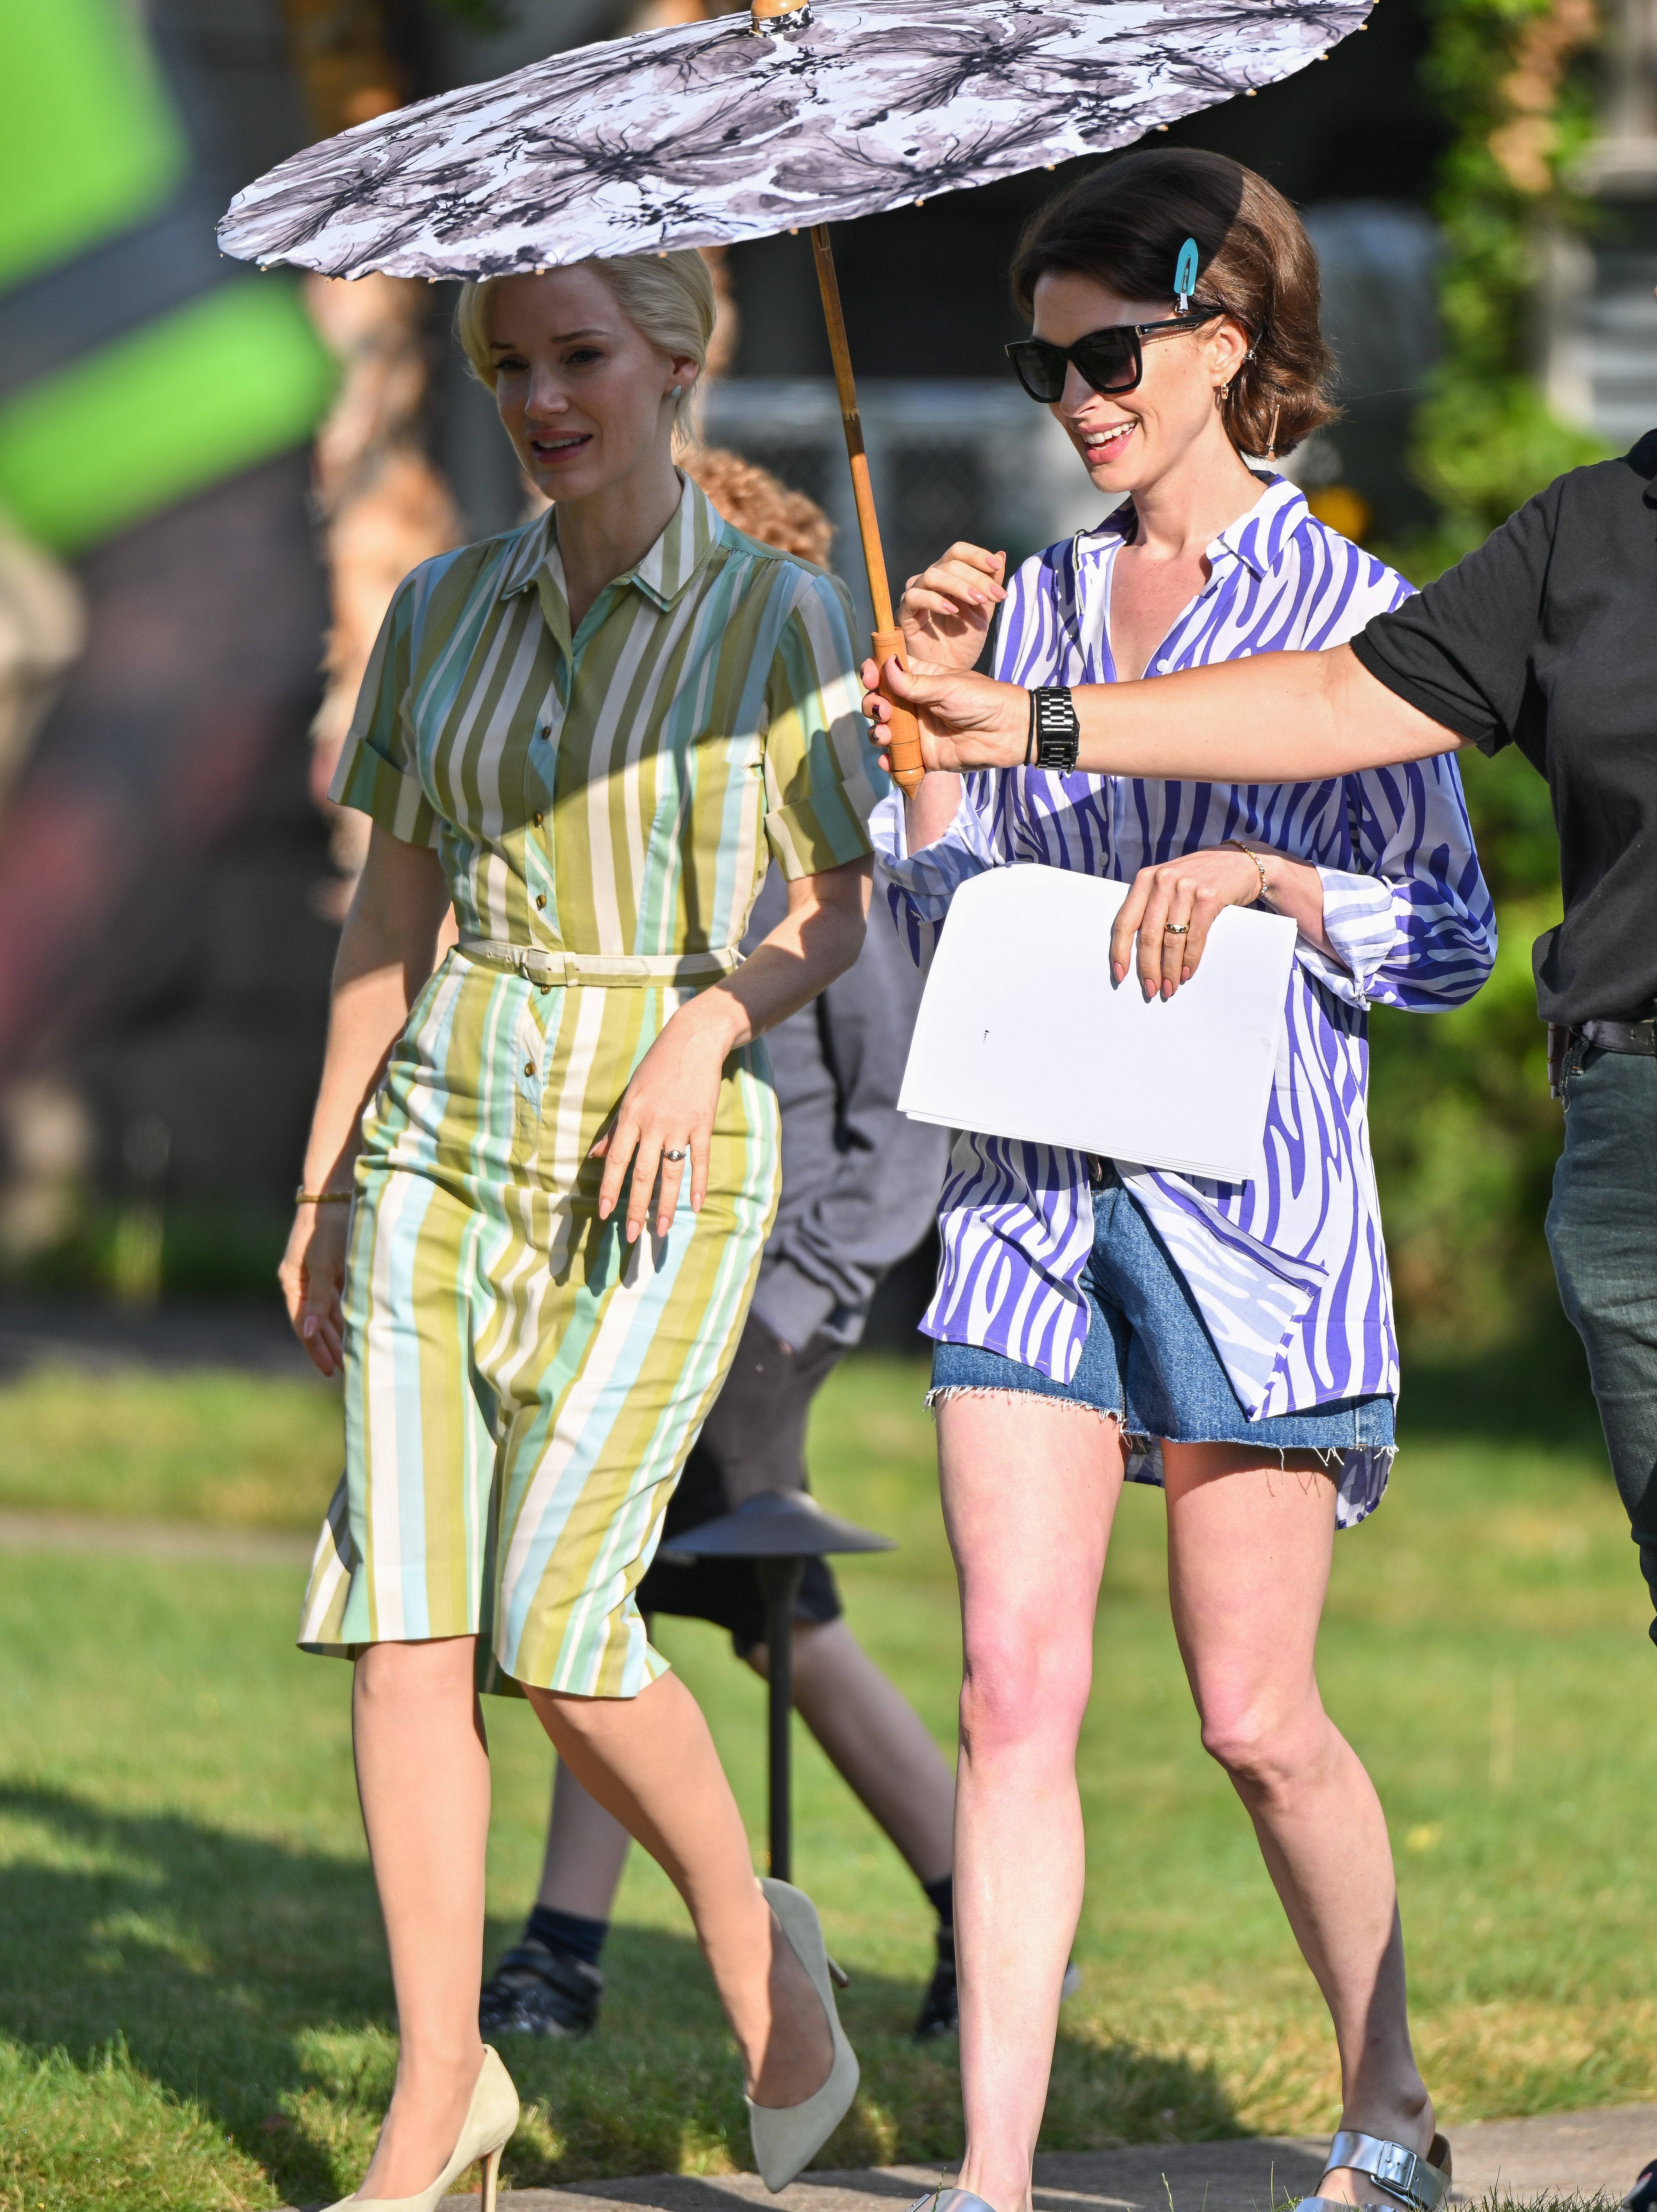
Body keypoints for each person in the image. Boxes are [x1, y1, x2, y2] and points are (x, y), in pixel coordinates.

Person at [870, 270, 1657, 2212]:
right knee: (1008, 1685)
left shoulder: (1351, 604)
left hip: (1252, 1216)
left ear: (1228, 345)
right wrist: (929, 755)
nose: (1073, 390)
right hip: (1036, 1199)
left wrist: (1281, 885)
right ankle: (989, 2177)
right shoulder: (1029, 606)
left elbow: (1448, 931)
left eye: (1107, 348)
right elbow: (942, 915)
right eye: (1041, 357)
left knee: (1254, 1720)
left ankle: (1387, 2105)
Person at [278, 248, 879, 2212]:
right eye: (514, 365)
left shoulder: (789, 616)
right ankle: (442, 2087)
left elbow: (836, 903)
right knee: (406, 1623)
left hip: (663, 1150)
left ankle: (745, 1940)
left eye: (583, 358)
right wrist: (324, 1183)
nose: (544, 400)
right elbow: (389, 922)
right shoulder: (443, 608)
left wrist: (708, 1024)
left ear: (677, 361)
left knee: (556, 1614)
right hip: (439, 1135)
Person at [479, 858, 968, 2045]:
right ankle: (566, 1947)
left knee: (712, 1606)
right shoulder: (655, 842)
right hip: (643, 1279)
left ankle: (565, 1952)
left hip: (767, 1299)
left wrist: (806, 1295)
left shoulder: (823, 857)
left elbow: (906, 1119)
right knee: (643, 1600)